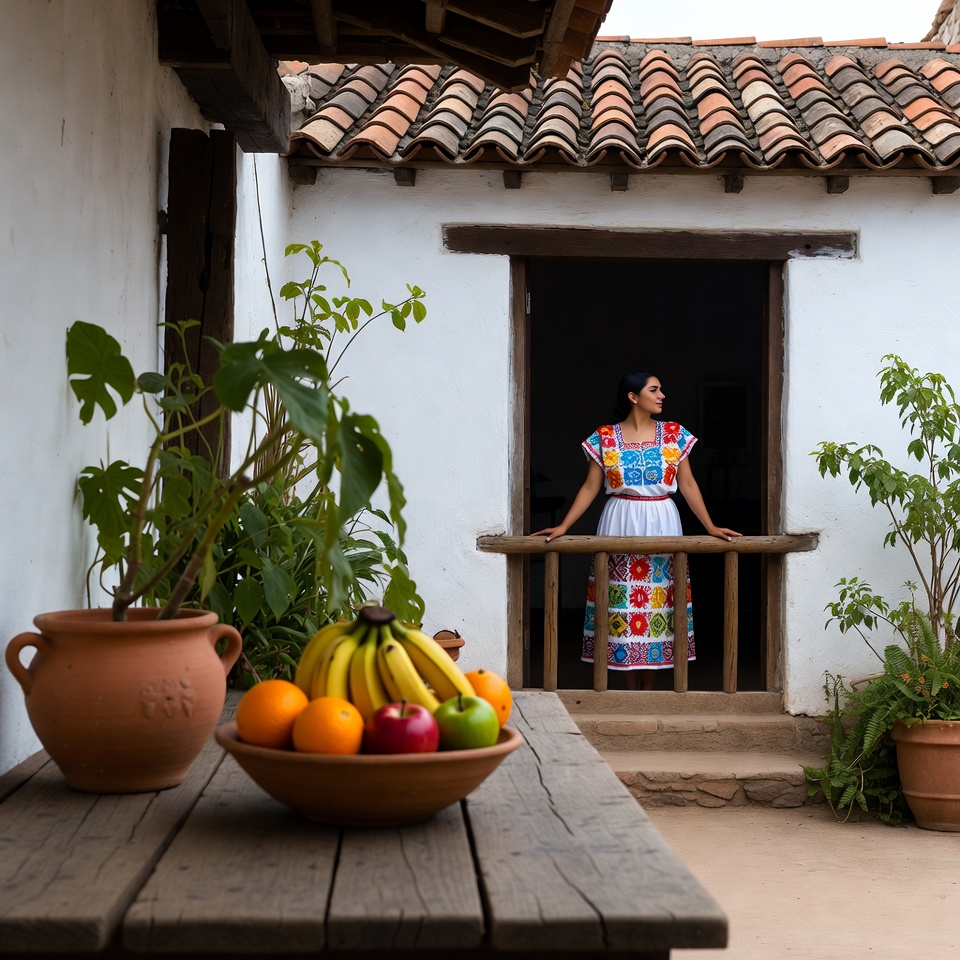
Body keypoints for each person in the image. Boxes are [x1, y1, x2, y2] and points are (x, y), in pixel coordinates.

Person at [532, 370, 741, 690]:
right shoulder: (605, 437)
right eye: (654, 390)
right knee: (621, 604)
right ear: (633, 397)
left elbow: (686, 483)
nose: (662, 396)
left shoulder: (673, 434)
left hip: (663, 520)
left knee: (659, 604)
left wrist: (710, 526)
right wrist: (564, 525)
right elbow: (590, 487)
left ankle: (650, 691)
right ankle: (631, 692)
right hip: (619, 519)